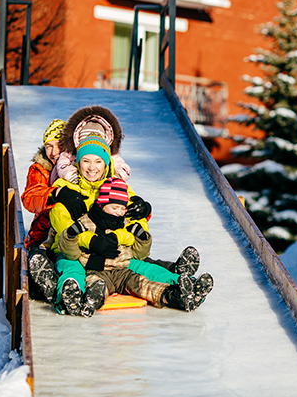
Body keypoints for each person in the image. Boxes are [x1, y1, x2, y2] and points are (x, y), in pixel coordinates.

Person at [48, 133, 212, 316]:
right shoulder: (64, 188)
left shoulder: (117, 187)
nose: (92, 167)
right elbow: (62, 224)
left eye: (98, 161)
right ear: (78, 163)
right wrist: (92, 241)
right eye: (86, 161)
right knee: (75, 271)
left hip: (118, 254)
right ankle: (71, 296)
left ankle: (182, 285)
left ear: (107, 163)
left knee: (143, 270)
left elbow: (135, 219)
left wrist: (126, 231)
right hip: (79, 254)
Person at [22, 118, 88, 303]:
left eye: (58, 145)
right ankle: (50, 289)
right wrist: (56, 193)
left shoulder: (81, 166)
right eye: (48, 146)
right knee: (39, 260)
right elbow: (30, 197)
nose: (53, 152)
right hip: (44, 234)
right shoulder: (40, 168)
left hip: (74, 235)